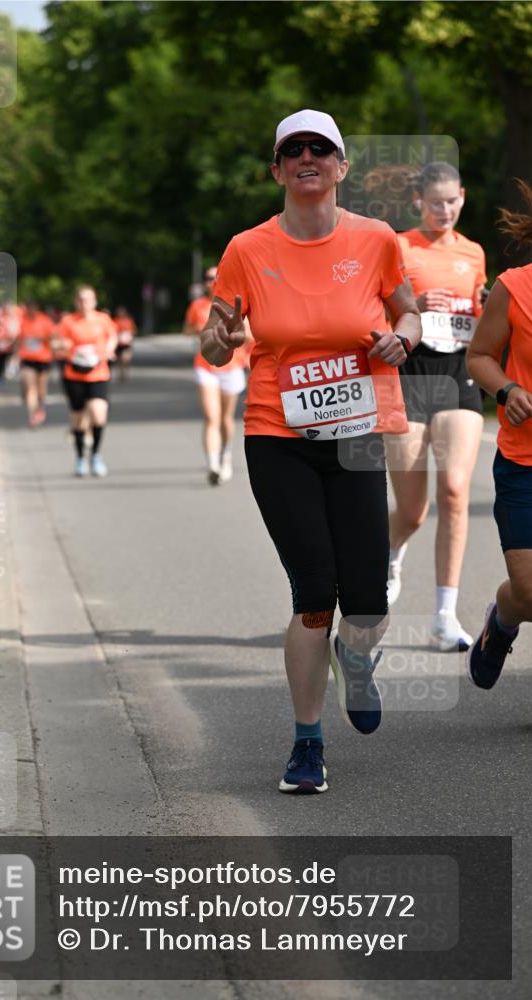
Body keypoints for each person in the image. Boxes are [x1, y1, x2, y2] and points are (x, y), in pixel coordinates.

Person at [200, 109, 421, 794]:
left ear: (340, 166)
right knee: (313, 592)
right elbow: (211, 345)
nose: (306, 158)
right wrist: (222, 337)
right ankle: (305, 744)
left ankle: (356, 662)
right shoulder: (246, 249)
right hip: (278, 436)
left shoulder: (377, 238)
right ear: (275, 169)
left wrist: (402, 338)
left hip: (355, 434)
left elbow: (408, 310)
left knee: (364, 598)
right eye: (291, 150)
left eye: (319, 150)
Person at [385, 162, 487, 652]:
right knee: (412, 510)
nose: (443, 210)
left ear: (462, 198)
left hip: (457, 372)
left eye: (451, 201)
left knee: (453, 490)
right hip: (410, 372)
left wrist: (484, 309)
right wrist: (415, 304)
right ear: (417, 201)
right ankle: (391, 552)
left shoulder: (474, 252)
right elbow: (374, 305)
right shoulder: (398, 246)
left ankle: (445, 616)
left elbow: (481, 316)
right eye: (434, 202)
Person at [465, 180, 532, 687]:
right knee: (530, 592)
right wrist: (507, 391)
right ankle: (502, 619)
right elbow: (480, 356)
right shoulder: (515, 286)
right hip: (523, 462)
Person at [185, 267, 250, 485]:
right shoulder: (198, 306)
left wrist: (235, 335)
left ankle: (226, 454)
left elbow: (250, 335)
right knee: (211, 417)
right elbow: (187, 330)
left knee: (225, 419)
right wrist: (199, 330)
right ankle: (213, 464)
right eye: (207, 278)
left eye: (215, 278)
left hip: (232, 367)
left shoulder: (237, 303)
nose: (211, 282)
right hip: (205, 367)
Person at [55, 285, 118, 477]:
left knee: (99, 415)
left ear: (95, 301)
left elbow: (112, 337)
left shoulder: (103, 319)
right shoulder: (68, 321)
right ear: (76, 302)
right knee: (79, 420)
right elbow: (55, 343)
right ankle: (81, 458)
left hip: (98, 373)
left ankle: (96, 455)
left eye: (88, 299)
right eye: (81, 300)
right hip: (74, 374)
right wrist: (63, 346)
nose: (85, 303)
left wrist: (108, 350)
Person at [17, 302, 55, 427]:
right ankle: (33, 415)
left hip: (43, 359)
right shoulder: (23, 321)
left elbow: (52, 337)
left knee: (41, 389)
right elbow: (18, 339)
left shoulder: (45, 321)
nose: (31, 311)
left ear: (37, 309)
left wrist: (42, 338)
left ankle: (41, 407)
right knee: (30, 388)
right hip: (27, 359)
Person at [0, 301, 20, 386]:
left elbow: (15, 332)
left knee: (8, 359)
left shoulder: (13, 319)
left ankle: (6, 374)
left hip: (8, 344)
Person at [113, 306, 137, 381]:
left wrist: (130, 337)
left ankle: (125, 374)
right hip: (118, 344)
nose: (120, 313)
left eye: (121, 311)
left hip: (127, 343)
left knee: (125, 359)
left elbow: (133, 330)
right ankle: (120, 374)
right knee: (119, 360)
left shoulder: (128, 320)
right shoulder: (115, 321)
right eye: (119, 311)